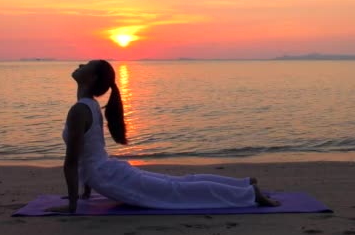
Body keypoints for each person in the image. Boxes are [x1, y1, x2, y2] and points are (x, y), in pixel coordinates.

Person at [48, 60, 280, 213]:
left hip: (109, 177)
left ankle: (248, 193)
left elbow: (72, 163)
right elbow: (90, 152)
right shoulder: (89, 106)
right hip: (109, 173)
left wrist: (72, 205)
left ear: (92, 79)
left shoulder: (80, 109)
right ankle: (242, 184)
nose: (80, 64)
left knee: (176, 190)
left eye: (86, 65)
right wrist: (86, 193)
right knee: (178, 184)